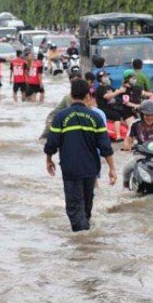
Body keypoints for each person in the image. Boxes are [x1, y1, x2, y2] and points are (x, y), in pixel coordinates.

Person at [44, 79, 116, 232]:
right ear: (88, 96)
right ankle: (87, 244)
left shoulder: (60, 117)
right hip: (91, 169)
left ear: (71, 95)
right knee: (86, 206)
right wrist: (112, 169)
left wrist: (49, 160)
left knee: (74, 207)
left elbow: (51, 143)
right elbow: (105, 147)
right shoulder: (95, 117)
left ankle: (82, 244)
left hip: (70, 169)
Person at [39, 70, 83, 139]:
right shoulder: (69, 97)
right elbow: (73, 112)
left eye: (77, 81)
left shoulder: (81, 93)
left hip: (63, 117)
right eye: (73, 82)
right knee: (45, 138)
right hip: (53, 118)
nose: (75, 83)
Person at [95, 68, 127, 141]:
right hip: (104, 108)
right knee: (116, 116)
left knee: (124, 111)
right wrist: (118, 92)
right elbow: (107, 96)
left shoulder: (108, 86)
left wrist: (122, 88)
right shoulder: (99, 89)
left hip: (112, 106)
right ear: (100, 79)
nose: (107, 78)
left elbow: (116, 90)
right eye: (105, 77)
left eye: (107, 76)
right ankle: (118, 136)